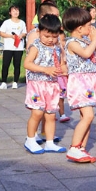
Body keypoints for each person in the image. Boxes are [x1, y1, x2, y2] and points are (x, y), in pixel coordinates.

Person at [23, 14, 67, 154]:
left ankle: (49, 142)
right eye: (47, 36)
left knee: (50, 115)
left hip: (52, 85)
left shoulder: (58, 48)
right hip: (37, 84)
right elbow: (27, 64)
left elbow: (61, 65)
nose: (51, 40)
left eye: (54, 37)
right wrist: (45, 69)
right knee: (37, 113)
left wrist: (65, 71)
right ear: (39, 32)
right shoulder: (36, 46)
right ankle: (30, 140)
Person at [62, 7, 96, 162]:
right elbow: (85, 54)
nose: (90, 28)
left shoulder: (85, 40)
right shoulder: (72, 42)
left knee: (87, 117)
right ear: (79, 28)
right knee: (88, 115)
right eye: (87, 25)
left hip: (89, 81)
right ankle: (74, 148)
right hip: (79, 82)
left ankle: (82, 148)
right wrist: (95, 40)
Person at [0, 5, 27, 89]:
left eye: (17, 10)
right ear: (10, 12)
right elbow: (1, 33)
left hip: (19, 47)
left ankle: (15, 82)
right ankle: (4, 82)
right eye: (13, 11)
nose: (15, 12)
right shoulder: (7, 22)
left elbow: (24, 32)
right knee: (5, 65)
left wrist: (21, 35)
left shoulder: (22, 22)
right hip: (8, 47)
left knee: (17, 65)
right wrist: (10, 36)